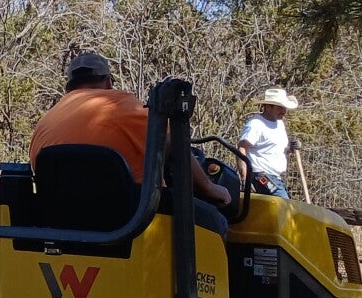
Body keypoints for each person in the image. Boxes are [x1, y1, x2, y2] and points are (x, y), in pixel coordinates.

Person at [30, 51, 232, 234]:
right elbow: (174, 144)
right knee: (216, 223)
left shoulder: (45, 123)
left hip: (64, 226)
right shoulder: (117, 104)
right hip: (131, 223)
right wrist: (211, 189)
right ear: (108, 82)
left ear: (69, 87)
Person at [238, 86, 299, 198]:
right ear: (268, 107)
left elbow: (275, 150)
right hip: (261, 176)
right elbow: (242, 149)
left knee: (284, 205)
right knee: (284, 204)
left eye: (284, 107)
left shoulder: (279, 124)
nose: (283, 111)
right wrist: (245, 179)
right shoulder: (256, 124)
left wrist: (291, 148)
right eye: (280, 107)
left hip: (276, 178)